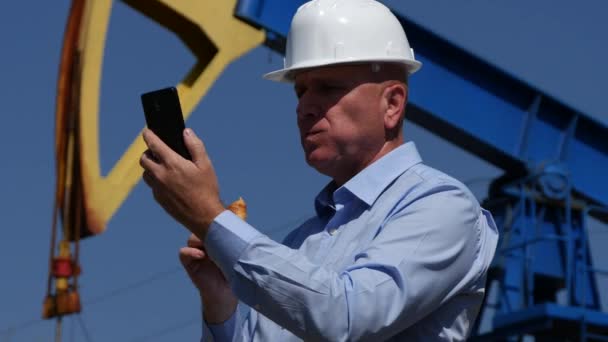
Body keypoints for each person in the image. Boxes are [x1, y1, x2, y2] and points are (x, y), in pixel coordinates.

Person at [139, 0, 499, 340]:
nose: (305, 107)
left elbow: (346, 318)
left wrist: (209, 217)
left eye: (328, 88)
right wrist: (221, 304)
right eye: (300, 92)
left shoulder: (443, 207)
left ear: (392, 104)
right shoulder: (301, 242)